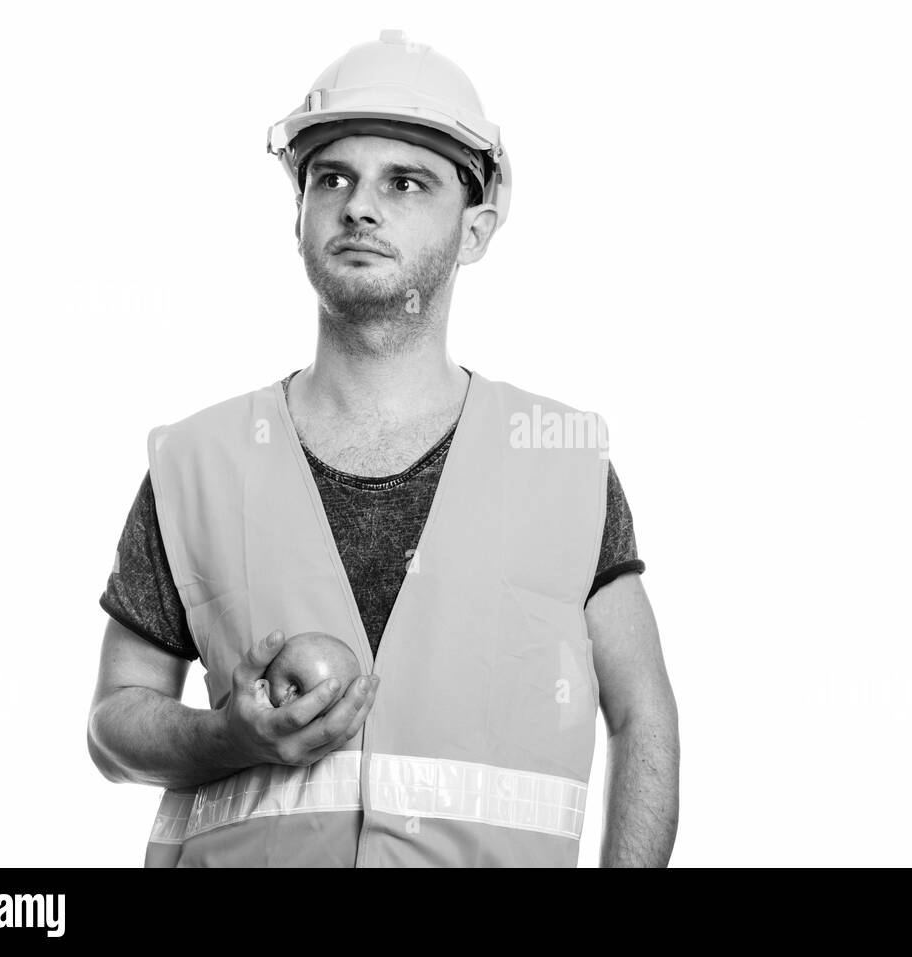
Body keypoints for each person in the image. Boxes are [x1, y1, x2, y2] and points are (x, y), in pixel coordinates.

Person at [86, 29, 679, 867]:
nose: (359, 206)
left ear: (474, 232)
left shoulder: (564, 464)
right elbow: (115, 724)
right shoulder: (196, 463)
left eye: (406, 182)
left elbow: (644, 716)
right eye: (332, 178)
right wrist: (226, 734)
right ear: (298, 222)